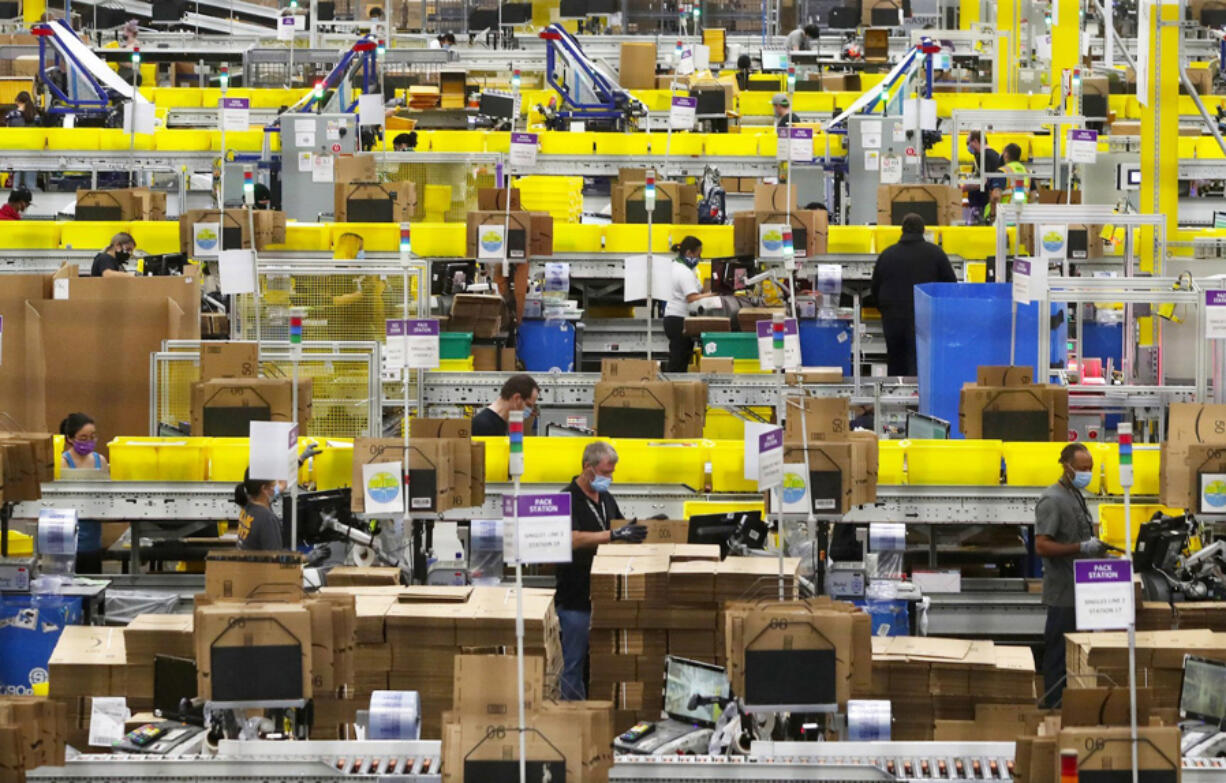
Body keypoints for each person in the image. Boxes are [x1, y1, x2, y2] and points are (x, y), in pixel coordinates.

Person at [556, 442, 647, 699]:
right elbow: (571, 538)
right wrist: (613, 534)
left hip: (604, 598)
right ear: (588, 467)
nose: (610, 478)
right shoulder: (567, 498)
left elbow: (616, 526)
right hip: (575, 600)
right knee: (572, 664)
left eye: (612, 472)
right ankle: (573, 720)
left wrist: (640, 527)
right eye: (606, 472)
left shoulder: (605, 498)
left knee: (599, 665)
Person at [1036, 444, 1109, 708]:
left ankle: (1071, 707)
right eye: (1082, 469)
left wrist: (1097, 549)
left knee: (1074, 656)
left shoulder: (1075, 495)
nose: (1087, 473)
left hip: (1082, 591)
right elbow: (1041, 545)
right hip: (1063, 593)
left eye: (1090, 468)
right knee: (1057, 654)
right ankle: (1054, 708)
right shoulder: (1052, 499)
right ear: (1066, 467)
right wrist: (1080, 547)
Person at [869, 213, 957, 376]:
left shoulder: (887, 255)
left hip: (893, 317)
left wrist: (885, 310)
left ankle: (895, 396)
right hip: (925, 317)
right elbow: (950, 286)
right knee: (921, 361)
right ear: (923, 231)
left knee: (896, 360)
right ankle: (920, 397)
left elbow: (875, 287)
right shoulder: (936, 254)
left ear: (902, 231)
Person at [663, 236, 720, 373]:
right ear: (689, 253)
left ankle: (676, 386)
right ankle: (673, 388)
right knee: (678, 360)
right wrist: (714, 295)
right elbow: (692, 297)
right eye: (698, 254)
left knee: (681, 358)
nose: (700, 257)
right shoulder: (683, 272)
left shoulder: (679, 267)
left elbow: (699, 289)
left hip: (672, 318)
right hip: (678, 320)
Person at [60, 413, 108, 572]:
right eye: (83, 438)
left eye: (92, 437)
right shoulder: (63, 462)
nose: (89, 441)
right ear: (69, 438)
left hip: (93, 538)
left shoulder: (99, 460)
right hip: (68, 540)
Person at [471, 374, 539, 436]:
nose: (530, 411)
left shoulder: (501, 423)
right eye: (528, 405)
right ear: (517, 398)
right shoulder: (484, 425)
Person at [234, 470, 285, 551]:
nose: (276, 487)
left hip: (247, 562)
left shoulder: (247, 506)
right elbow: (275, 559)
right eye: (274, 483)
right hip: (260, 563)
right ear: (264, 489)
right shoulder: (268, 519)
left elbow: (280, 487)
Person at [963, 130, 1004, 225]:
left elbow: (982, 182)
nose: (968, 147)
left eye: (968, 143)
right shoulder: (994, 154)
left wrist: (962, 188)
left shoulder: (983, 156)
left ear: (976, 141)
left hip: (981, 204)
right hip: (988, 204)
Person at [6, 91, 40, 191]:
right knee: (30, 183)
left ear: (18, 101)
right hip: (31, 150)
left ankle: (15, 201)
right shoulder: (35, 115)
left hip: (16, 149)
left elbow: (8, 132)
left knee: (16, 181)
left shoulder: (12, 115)